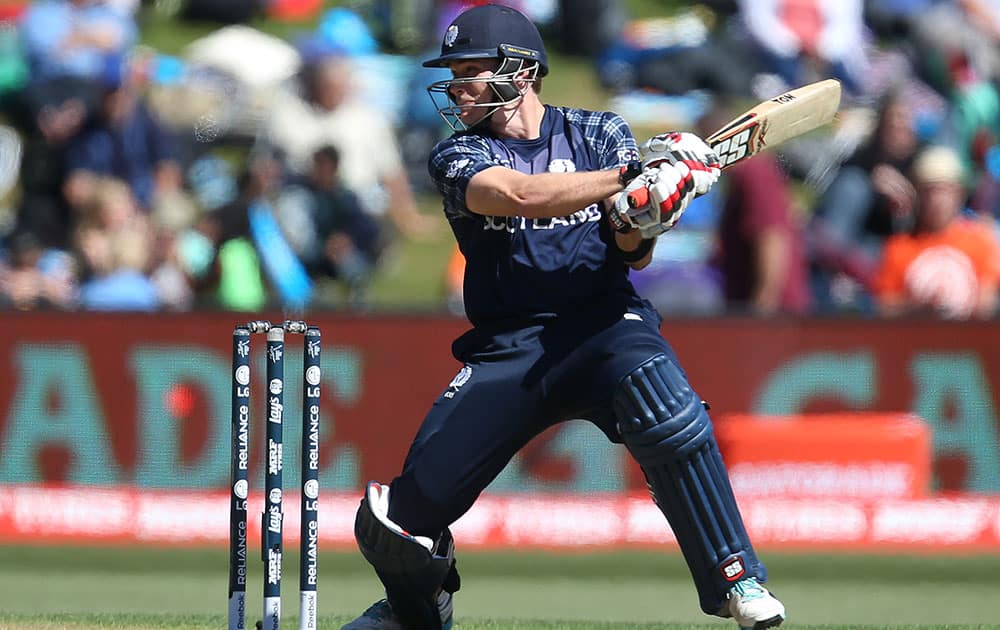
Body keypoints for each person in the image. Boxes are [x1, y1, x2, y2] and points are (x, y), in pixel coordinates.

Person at [341, 5, 785, 630]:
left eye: (473, 71)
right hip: (510, 347)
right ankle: (415, 612)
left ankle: (737, 580)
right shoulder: (458, 153)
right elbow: (517, 195)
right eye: (455, 72)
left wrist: (652, 205)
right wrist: (635, 174)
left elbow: (633, 248)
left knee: (667, 407)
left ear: (522, 73)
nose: (458, 86)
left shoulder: (598, 131)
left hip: (603, 324)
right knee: (397, 523)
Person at [873, 145, 1000, 319]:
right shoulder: (899, 247)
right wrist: (917, 307)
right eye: (929, 191)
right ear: (918, 195)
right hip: (914, 341)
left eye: (944, 191)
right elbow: (883, 307)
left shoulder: (980, 241)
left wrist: (952, 303)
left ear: (960, 194)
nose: (937, 200)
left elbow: (987, 303)